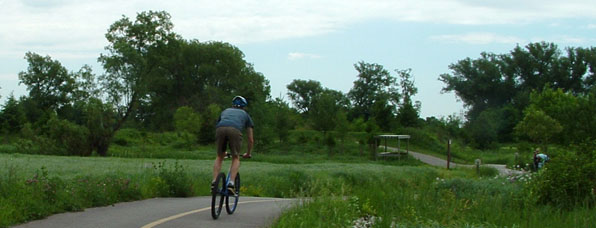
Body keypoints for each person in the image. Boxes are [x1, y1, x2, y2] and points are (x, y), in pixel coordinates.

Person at [212, 96, 254, 195]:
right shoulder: (245, 115)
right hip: (235, 130)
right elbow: (250, 139)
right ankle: (231, 184)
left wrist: (223, 152)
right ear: (244, 107)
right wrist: (248, 153)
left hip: (220, 128)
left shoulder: (225, 111)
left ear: (232, 105)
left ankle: (214, 183)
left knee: (219, 156)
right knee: (235, 157)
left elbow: (221, 126)